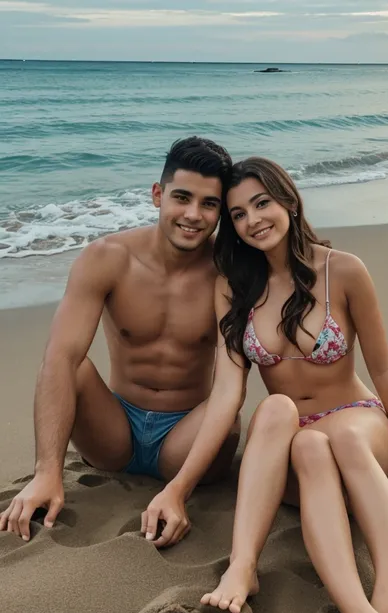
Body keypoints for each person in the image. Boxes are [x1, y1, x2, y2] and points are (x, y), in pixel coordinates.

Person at [171, 156, 388, 613]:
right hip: (300, 454)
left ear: (289, 201)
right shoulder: (234, 286)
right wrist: (179, 487)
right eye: (239, 213)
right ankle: (248, 570)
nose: (253, 220)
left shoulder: (342, 269)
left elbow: (384, 370)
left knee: (334, 434)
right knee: (276, 412)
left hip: (361, 431)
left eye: (263, 203)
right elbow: (229, 391)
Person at [0, 136, 241, 547]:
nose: (193, 215)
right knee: (69, 361)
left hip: (185, 439)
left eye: (209, 204)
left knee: (230, 414)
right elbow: (60, 358)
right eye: (181, 198)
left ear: (220, 211)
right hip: (114, 436)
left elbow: (229, 385)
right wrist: (47, 470)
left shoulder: (227, 273)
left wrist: (178, 489)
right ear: (157, 195)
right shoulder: (107, 257)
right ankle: (47, 477)